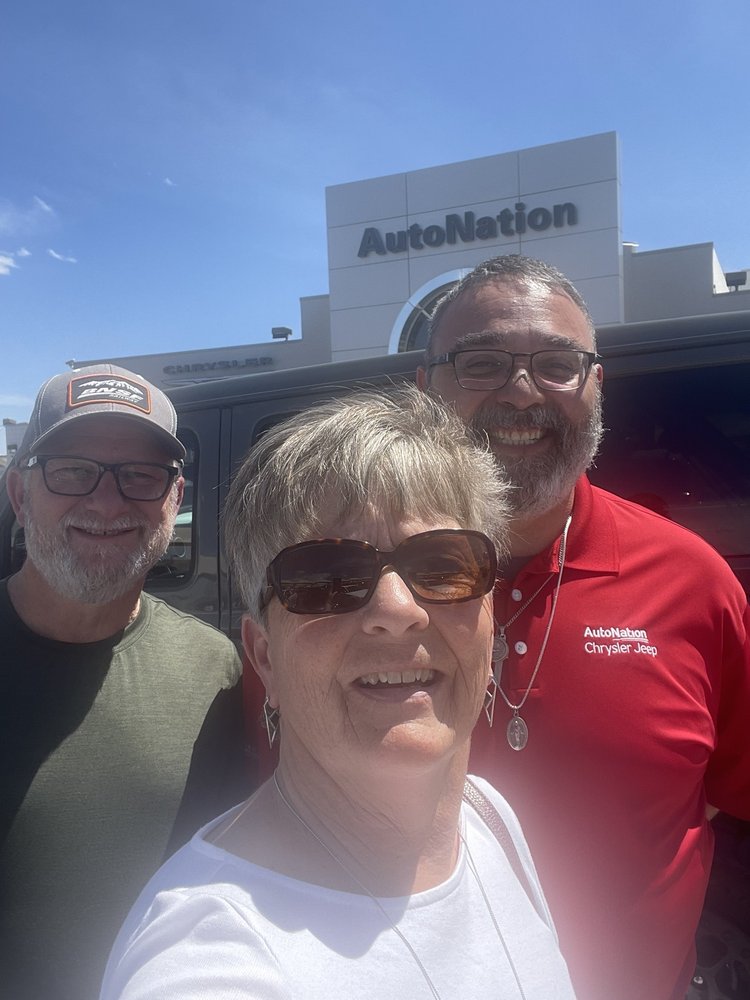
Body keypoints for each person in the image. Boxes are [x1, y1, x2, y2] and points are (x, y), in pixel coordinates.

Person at [100, 386, 576, 1000]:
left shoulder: (488, 819)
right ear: (264, 657)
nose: (398, 610)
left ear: (489, 617)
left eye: (444, 566)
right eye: (326, 578)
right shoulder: (210, 952)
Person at [417, 254, 750, 1000]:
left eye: (557, 364)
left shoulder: (693, 581)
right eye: (481, 363)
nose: (521, 391)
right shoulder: (351, 584)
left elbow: (730, 788)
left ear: (595, 384)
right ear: (425, 386)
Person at [0, 364, 248, 1000]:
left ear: (175, 497)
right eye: (72, 470)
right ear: (20, 494)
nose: (108, 503)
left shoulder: (214, 671)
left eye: (140, 475)